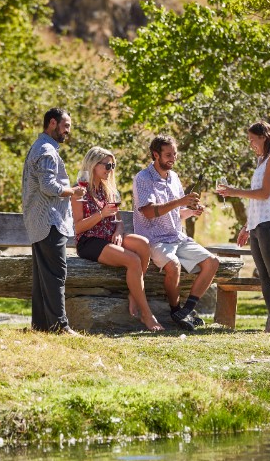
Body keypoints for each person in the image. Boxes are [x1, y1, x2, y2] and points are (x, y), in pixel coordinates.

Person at [72, 147, 164, 332]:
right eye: (107, 165)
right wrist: (101, 214)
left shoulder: (108, 191)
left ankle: (134, 293)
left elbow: (118, 221)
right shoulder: (79, 191)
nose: (110, 169)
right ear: (93, 165)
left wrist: (119, 232)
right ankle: (147, 315)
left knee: (144, 245)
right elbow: (77, 228)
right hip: (89, 241)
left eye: (112, 165)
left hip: (109, 237)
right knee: (133, 260)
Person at [133, 135, 219, 331]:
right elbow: (148, 211)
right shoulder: (143, 178)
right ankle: (175, 310)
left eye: (175, 154)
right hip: (154, 239)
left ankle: (187, 310)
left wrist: (191, 211)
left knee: (212, 262)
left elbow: (175, 212)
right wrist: (180, 202)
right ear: (156, 155)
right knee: (173, 265)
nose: (173, 158)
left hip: (177, 237)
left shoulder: (174, 178)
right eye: (168, 154)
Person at [217, 121, 270, 333]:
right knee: (264, 276)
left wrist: (234, 191)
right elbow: (255, 201)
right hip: (257, 223)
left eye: (252, 139)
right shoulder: (261, 161)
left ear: (264, 137)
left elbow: (264, 194)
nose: (250, 144)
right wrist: (246, 226)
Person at [22, 108, 86, 335]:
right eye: (65, 126)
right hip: (50, 221)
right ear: (52, 123)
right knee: (57, 273)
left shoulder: (40, 146)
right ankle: (60, 326)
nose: (68, 131)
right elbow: (48, 186)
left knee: (43, 276)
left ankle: (41, 326)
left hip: (40, 221)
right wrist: (72, 191)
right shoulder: (47, 150)